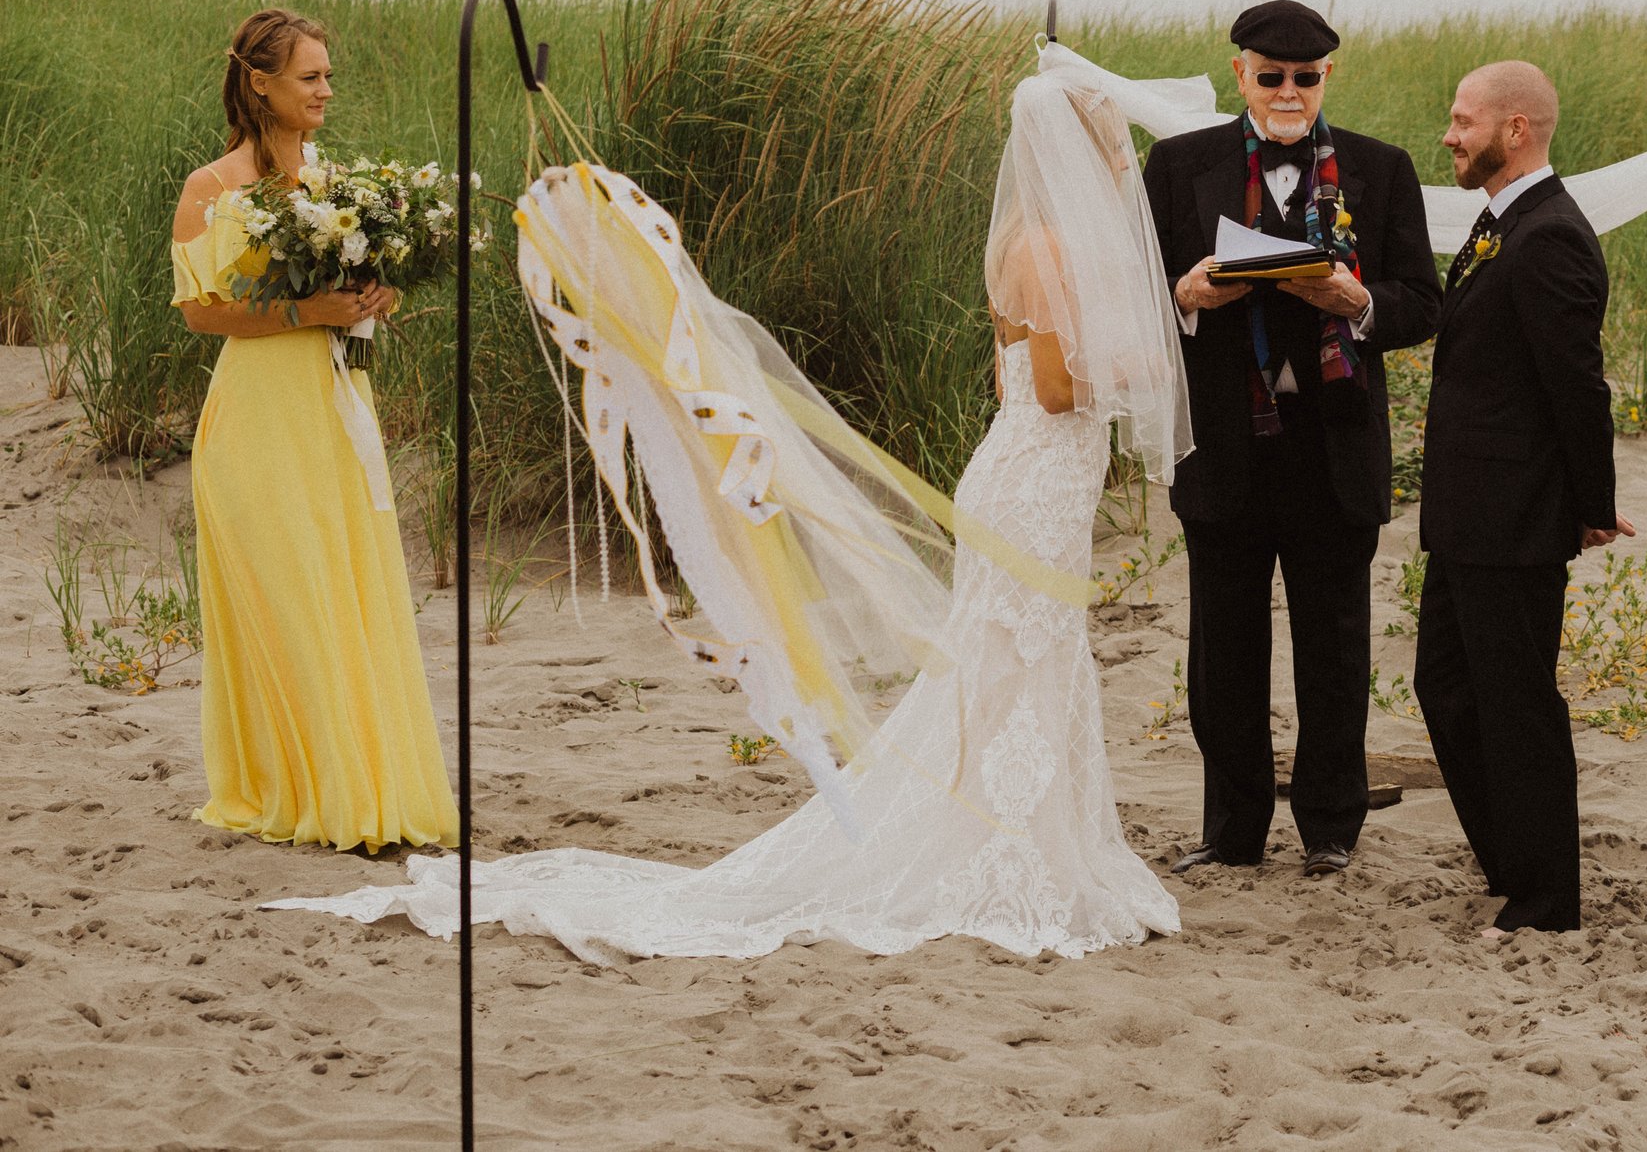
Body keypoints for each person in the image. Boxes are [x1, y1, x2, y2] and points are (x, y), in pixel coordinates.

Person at [274, 59, 1188, 960]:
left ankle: (1022, 844)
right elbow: (1061, 390)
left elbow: (1009, 375)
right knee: (1014, 659)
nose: (1119, 160)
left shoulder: (1023, 240)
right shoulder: (1049, 248)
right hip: (1037, 476)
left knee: (1020, 661)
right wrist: (1156, 361)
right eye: (1110, 143)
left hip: (1032, 471)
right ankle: (1007, 854)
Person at [1141, 0, 1442, 878]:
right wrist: (1188, 295)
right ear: (1239, 74)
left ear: (1326, 80)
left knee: (1336, 649)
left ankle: (1330, 829)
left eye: (1304, 78)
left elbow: (1422, 300)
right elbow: (1133, 294)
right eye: (1269, 76)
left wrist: (1360, 303)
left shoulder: (1381, 171)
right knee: (1224, 654)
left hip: (1332, 447)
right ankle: (1230, 832)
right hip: (1225, 448)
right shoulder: (1177, 165)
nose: (1286, 91)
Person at [172, 9, 455, 851]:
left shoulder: (343, 188)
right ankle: (303, 790)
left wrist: (376, 298)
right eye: (310, 77)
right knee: (288, 599)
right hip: (257, 418)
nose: (327, 90)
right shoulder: (211, 188)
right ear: (261, 83)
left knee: (347, 592)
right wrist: (304, 308)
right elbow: (199, 312)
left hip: (337, 412)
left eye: (328, 75)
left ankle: (362, 783)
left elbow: (376, 291)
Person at [1413, 61, 1630, 937]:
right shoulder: (1501, 221)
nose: (1449, 134)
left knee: (1517, 705)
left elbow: (1578, 386)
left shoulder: (1550, 236)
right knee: (1447, 688)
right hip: (1469, 513)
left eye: (1463, 121)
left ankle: (1545, 899)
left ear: (1516, 130)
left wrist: (1592, 504)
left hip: (1514, 516)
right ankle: (1514, 863)